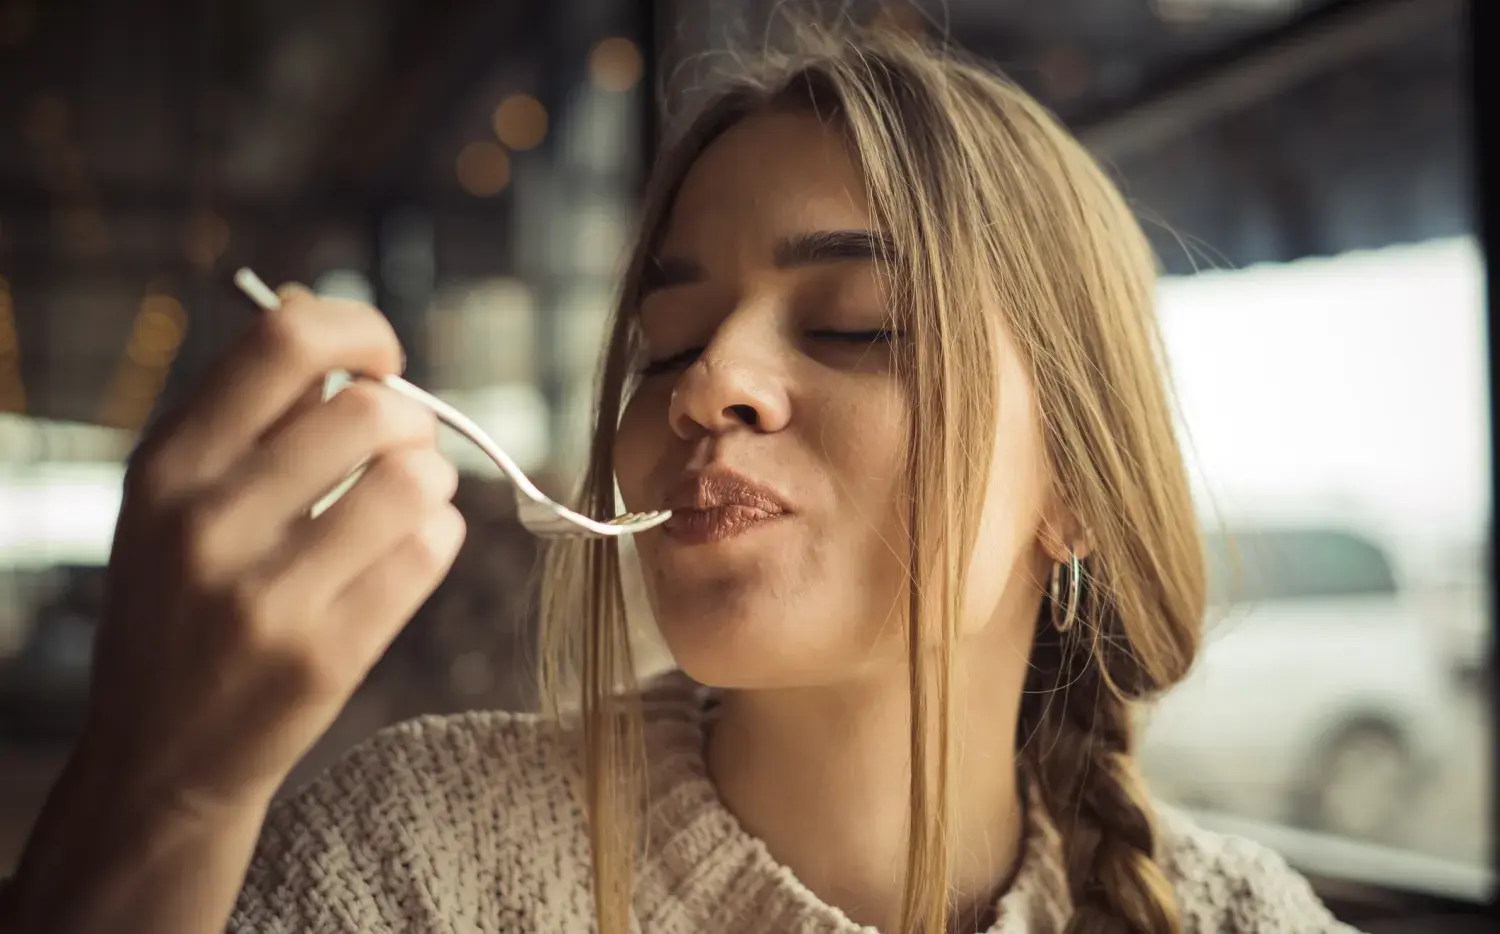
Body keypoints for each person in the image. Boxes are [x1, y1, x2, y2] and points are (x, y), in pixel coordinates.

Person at [0, 22, 1358, 934]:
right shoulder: (417, 860)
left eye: (855, 326)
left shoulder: (1242, 918)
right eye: (666, 341)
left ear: (1077, 488)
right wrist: (160, 791)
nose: (707, 383)